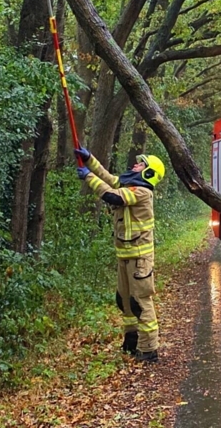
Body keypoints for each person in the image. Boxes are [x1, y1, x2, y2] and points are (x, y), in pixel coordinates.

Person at [75, 146, 166, 362]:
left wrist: (88, 178)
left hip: (140, 260)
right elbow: (110, 179)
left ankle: (148, 349)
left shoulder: (141, 192)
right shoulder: (130, 185)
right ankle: (131, 341)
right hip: (124, 256)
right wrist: (89, 159)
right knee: (124, 301)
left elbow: (113, 196)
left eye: (140, 164)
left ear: (148, 172)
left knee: (140, 302)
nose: (135, 165)